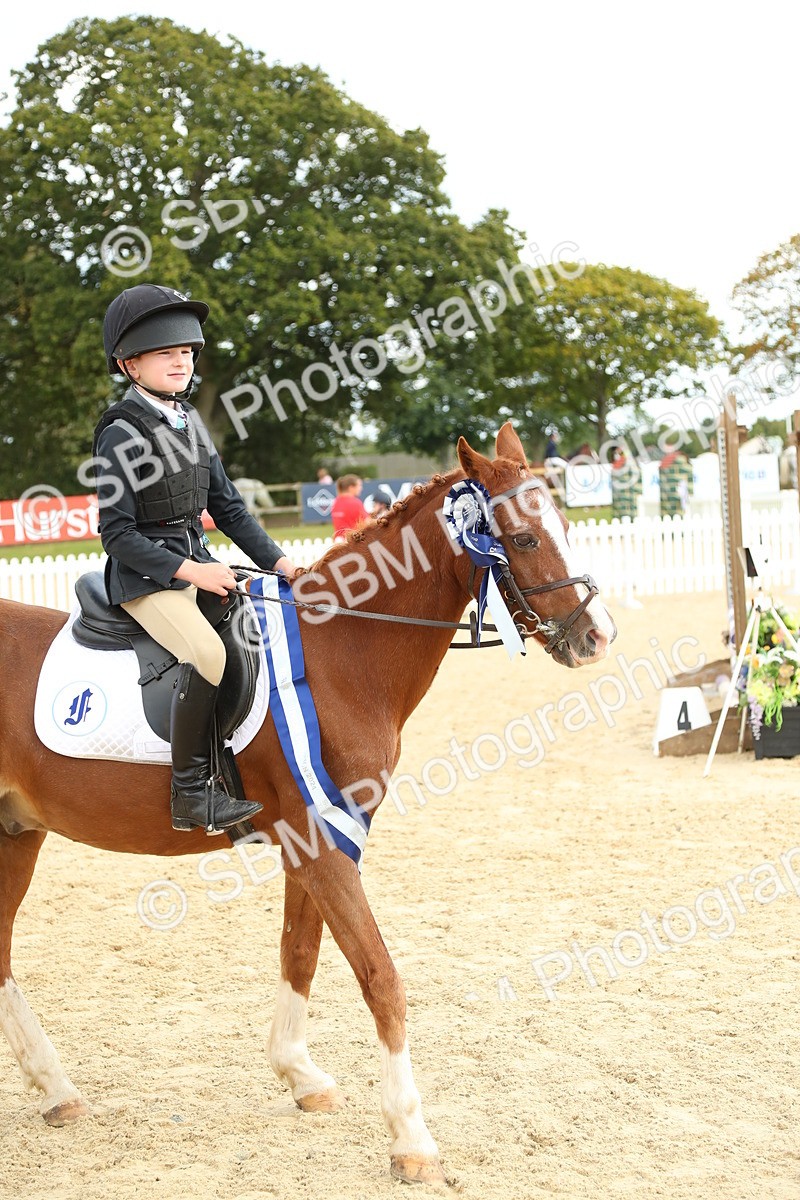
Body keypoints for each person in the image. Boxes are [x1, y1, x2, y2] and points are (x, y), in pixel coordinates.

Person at [94, 283, 297, 835]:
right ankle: (190, 795)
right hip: (145, 579)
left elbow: (228, 508)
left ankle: (239, 777)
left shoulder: (190, 423)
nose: (180, 361)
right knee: (208, 654)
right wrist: (193, 572)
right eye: (165, 353)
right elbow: (115, 534)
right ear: (129, 364)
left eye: (186, 352)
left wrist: (282, 564)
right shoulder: (120, 433)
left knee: (264, 638)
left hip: (199, 567)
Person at [331, 474, 367, 540]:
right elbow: (367, 523)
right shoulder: (355, 502)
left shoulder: (336, 502)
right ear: (351, 487)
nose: (361, 488)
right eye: (359, 485)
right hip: (352, 542)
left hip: (338, 542)